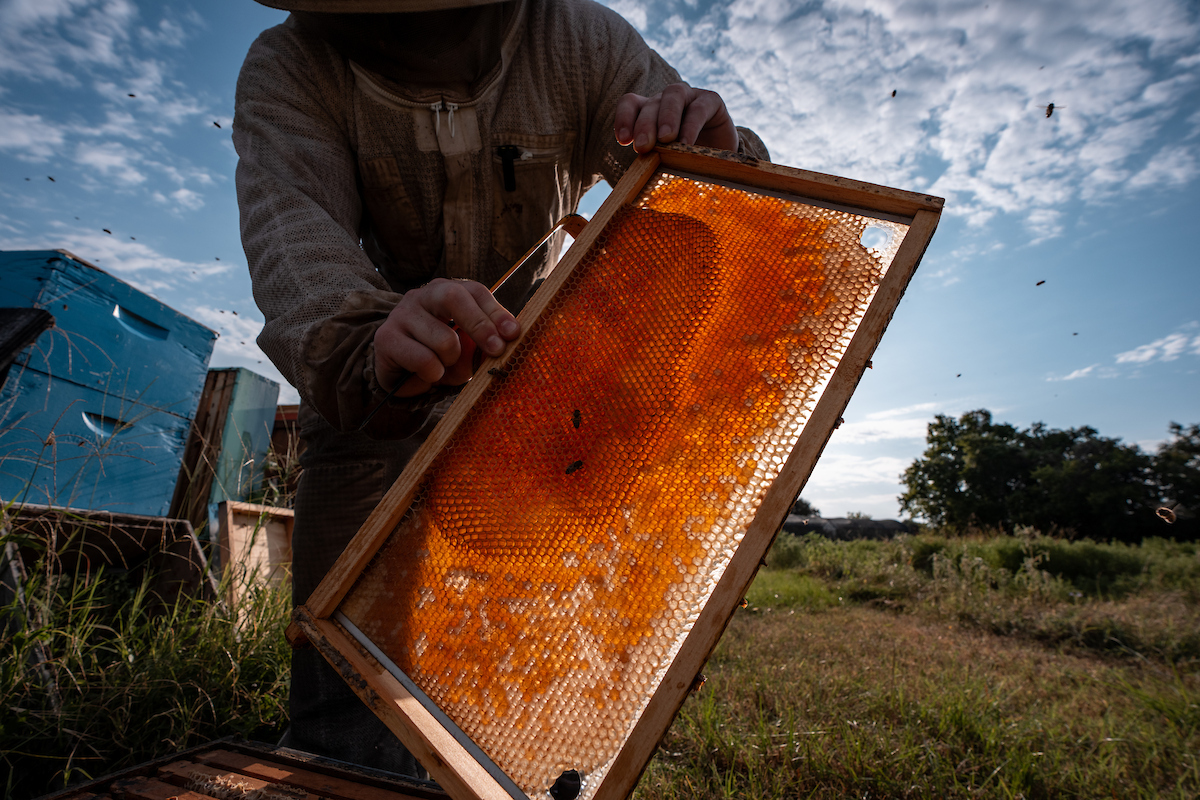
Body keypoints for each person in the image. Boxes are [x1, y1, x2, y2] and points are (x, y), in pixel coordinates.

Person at [234, 0, 770, 775]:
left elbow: (696, 204)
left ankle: (524, 770)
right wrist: (368, 341)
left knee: (529, 643)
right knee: (346, 684)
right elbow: (296, 239)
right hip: (377, 384)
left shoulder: (581, 40)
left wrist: (709, 157)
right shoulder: (290, 65)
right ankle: (348, 765)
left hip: (546, 381)